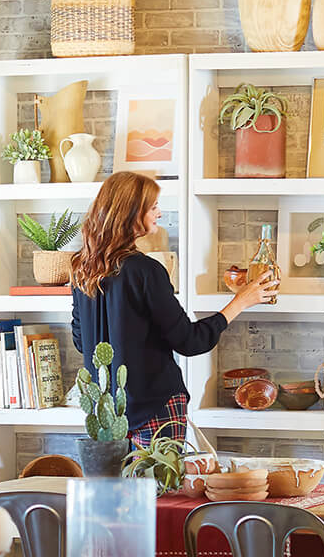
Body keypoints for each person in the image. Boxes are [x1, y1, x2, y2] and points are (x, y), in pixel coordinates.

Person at [70, 170, 279, 446]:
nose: (159, 213)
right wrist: (241, 301)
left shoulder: (81, 269)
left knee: (112, 490)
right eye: (153, 206)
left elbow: (82, 342)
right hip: (155, 410)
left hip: (106, 417)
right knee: (161, 491)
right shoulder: (146, 271)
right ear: (132, 213)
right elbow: (190, 341)